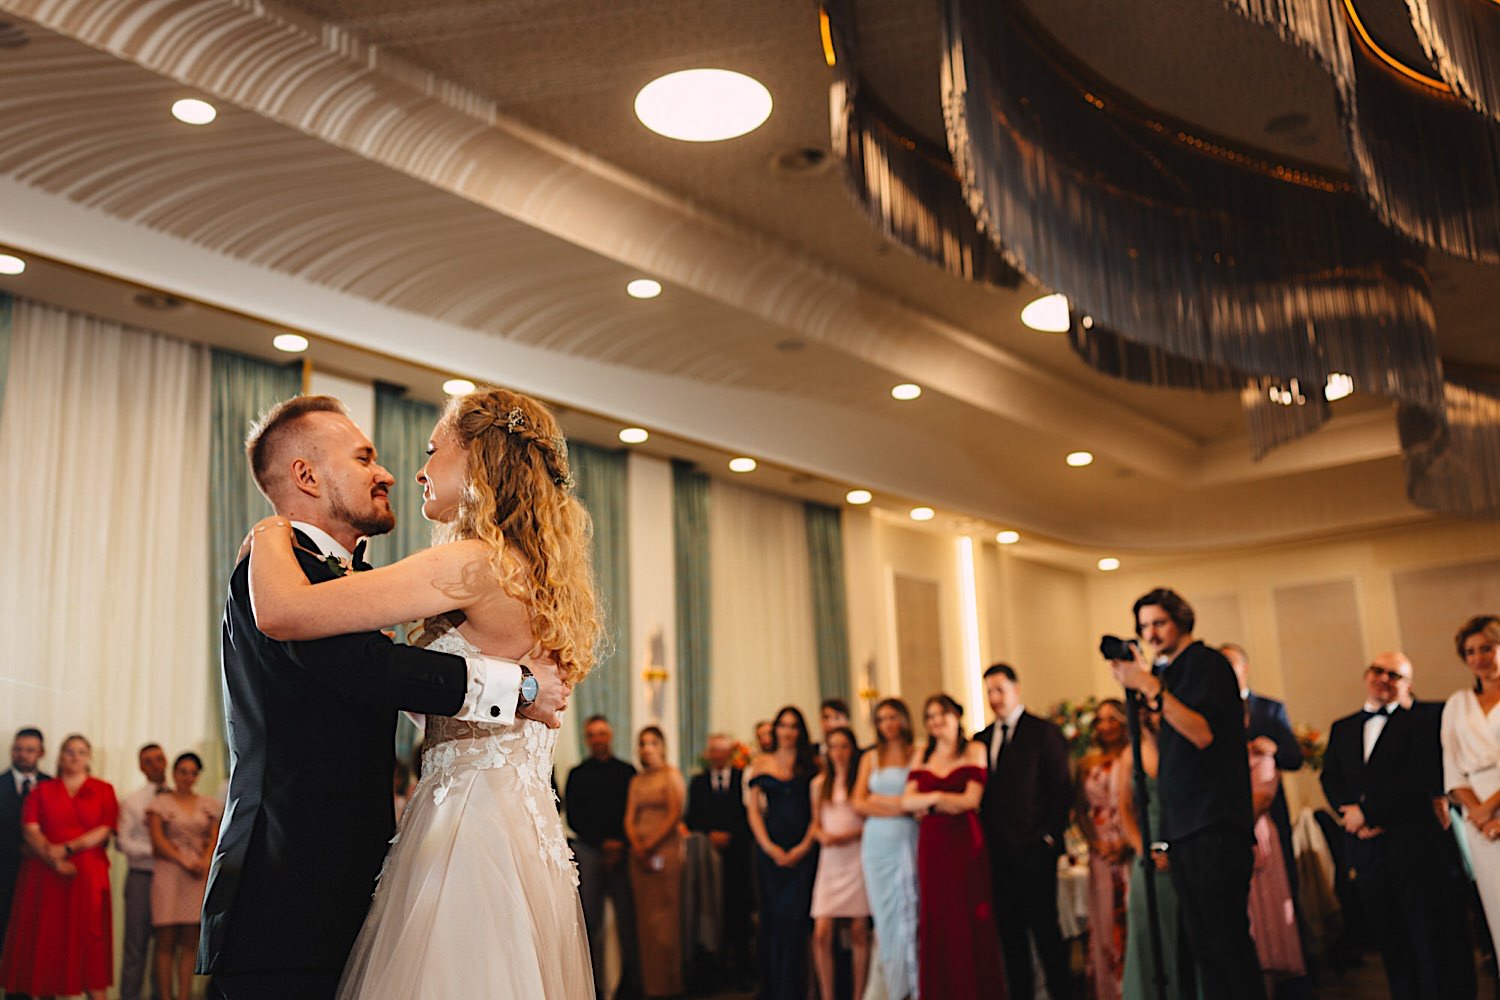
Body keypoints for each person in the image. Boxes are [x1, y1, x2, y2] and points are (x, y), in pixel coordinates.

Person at [224, 390, 580, 999]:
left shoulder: (470, 563)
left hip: (463, 828)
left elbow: (327, 637)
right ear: (306, 476)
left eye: (432, 450)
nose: (402, 471)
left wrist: (266, 530)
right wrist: (518, 687)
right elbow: (368, 667)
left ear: (478, 463)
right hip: (297, 884)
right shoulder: (519, 564)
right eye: (365, 458)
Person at [1109, 588, 1261, 999]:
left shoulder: (1207, 663)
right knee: (1203, 948)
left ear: (1181, 620)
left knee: (1227, 942)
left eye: (1159, 623)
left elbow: (1202, 733)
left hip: (1215, 825)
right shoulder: (1170, 673)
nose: (1151, 634)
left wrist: (1150, 686)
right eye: (1144, 626)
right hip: (1184, 828)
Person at [1322, 652, 1476, 999]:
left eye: (1394, 675)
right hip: (1367, 850)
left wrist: (1370, 814)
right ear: (1366, 675)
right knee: (1389, 940)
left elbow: (1420, 777)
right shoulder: (1343, 727)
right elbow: (1330, 777)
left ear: (1408, 685)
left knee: (1429, 938)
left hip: (1415, 846)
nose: (1383, 679)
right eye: (1378, 671)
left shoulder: (1424, 720)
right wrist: (1349, 814)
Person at [974, 663, 1074, 1000]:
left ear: (1016, 689)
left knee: (1046, 933)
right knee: (1010, 936)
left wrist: (1050, 837)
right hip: (998, 854)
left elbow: (1061, 788)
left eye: (1000, 690)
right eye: (989, 691)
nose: (994, 698)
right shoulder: (981, 739)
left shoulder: (1042, 732)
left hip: (1035, 851)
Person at [903, 694, 1006, 999]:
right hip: (932, 845)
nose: (936, 721)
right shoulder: (921, 754)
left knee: (968, 913)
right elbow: (906, 801)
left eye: (942, 714)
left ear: (957, 716)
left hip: (964, 842)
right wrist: (941, 800)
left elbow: (971, 800)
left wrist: (931, 800)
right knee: (937, 916)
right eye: (930, 716)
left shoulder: (975, 749)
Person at [0, 734, 117, 1000]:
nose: (74, 757)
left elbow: (105, 828)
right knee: (47, 941)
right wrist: (53, 859)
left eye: (81, 752)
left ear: (89, 757)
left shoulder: (103, 789)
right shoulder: (42, 790)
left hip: (87, 874)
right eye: (69, 751)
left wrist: (68, 849)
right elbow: (30, 829)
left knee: (90, 942)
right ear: (59, 755)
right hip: (45, 874)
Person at [567, 714, 642, 1000]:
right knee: (590, 922)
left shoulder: (627, 772)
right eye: (592, 734)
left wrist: (619, 843)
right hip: (590, 851)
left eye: (602, 733)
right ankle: (594, 987)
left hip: (623, 851)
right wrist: (602, 843)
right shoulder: (577, 774)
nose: (598, 739)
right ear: (587, 739)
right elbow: (574, 817)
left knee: (628, 919)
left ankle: (632, 985)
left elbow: (634, 812)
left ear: (609, 736)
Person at [747, 706, 819, 1000]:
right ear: (775, 729)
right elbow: (753, 811)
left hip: (804, 848)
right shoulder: (761, 762)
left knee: (798, 919)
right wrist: (768, 847)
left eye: (793, 726)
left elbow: (818, 811)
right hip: (771, 849)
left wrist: (803, 847)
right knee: (774, 919)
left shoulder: (811, 763)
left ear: (800, 731)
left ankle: (802, 990)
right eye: (783, 726)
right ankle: (776, 989)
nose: (787, 732)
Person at [1119, 708, 1191, 1000]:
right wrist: (1144, 849)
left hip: (1186, 847)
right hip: (1149, 853)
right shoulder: (1131, 754)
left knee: (1189, 938)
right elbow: (1124, 809)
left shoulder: (1184, 746)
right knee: (1149, 935)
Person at [853, 698, 919, 1000]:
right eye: (881, 719)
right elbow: (858, 802)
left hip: (906, 838)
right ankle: (890, 986)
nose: (887, 724)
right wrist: (898, 806)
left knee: (908, 908)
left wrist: (878, 801)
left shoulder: (916, 751)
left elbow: (914, 800)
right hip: (876, 843)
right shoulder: (870, 757)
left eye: (892, 717)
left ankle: (911, 982)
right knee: (883, 915)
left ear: (903, 719)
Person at [1444, 616, 1500, 958]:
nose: (1478, 658)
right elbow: (1452, 768)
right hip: (1477, 818)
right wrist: (1478, 814)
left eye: (1487, 648)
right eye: (1470, 651)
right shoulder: (1458, 703)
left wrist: (1492, 810)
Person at [148, 752, 221, 1000]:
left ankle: (184, 995)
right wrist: (183, 859)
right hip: (169, 870)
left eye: (192, 773)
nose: (187, 777)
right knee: (165, 938)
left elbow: (215, 838)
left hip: (197, 873)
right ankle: (165, 996)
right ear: (174, 773)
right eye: (183, 772)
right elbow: (157, 840)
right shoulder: (160, 803)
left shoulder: (208, 804)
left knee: (191, 939)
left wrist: (205, 859)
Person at [685, 732, 752, 984]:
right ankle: (713, 972)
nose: (717, 756)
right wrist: (709, 834)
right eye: (713, 751)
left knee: (739, 912)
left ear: (730, 754)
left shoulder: (742, 779)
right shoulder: (698, 782)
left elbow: (749, 814)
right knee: (711, 910)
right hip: (707, 856)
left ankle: (742, 969)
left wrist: (731, 836)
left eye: (722, 751)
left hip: (738, 855)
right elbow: (691, 817)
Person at [625, 726, 686, 999]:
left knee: (666, 921)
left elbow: (675, 813)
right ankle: (652, 986)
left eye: (652, 743)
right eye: (643, 743)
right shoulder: (637, 781)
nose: (647, 748)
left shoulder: (671, 775)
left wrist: (651, 845)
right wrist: (637, 845)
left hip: (666, 852)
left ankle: (670, 985)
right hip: (639, 856)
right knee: (645, 922)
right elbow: (629, 817)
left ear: (662, 746)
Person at [810, 726, 869, 1000]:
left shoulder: (861, 782)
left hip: (856, 856)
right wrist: (822, 835)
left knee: (858, 931)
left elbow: (870, 820)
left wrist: (849, 835)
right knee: (822, 931)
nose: (838, 752)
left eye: (843, 746)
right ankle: (827, 994)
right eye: (833, 746)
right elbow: (815, 823)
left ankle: (858, 994)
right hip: (831, 860)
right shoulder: (819, 784)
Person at [1077, 698, 1131, 1000]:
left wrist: (1127, 841)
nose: (1106, 725)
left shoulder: (1136, 755)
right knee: (1105, 919)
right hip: (1100, 847)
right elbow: (1080, 809)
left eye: (1113, 718)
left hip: (1130, 841)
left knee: (1130, 914)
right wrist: (1094, 841)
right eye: (1101, 719)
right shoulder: (1088, 763)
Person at [1246, 730, 1305, 995]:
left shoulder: (1261, 756)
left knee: (1264, 926)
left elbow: (1262, 798)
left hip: (1256, 837)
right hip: (1229, 836)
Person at [116, 742, 168, 1000]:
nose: (156, 765)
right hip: (142, 877)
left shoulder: (181, 796)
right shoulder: (133, 801)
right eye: (148, 761)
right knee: (135, 944)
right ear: (140, 767)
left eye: (159, 758)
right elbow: (123, 842)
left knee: (166, 945)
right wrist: (159, 849)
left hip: (172, 879)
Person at [0, 727, 48, 969]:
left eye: (29, 750)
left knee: (37, 938)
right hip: (4, 875)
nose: (22, 755)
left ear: (41, 753)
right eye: (18, 749)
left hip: (42, 874)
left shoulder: (52, 785)